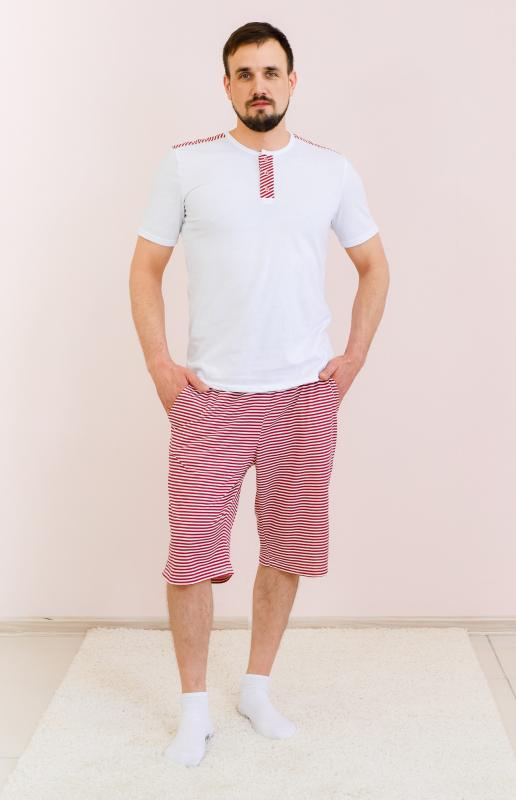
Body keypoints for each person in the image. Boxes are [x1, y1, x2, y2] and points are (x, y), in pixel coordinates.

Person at [129, 20, 390, 767]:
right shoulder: (187, 165)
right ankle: (193, 709)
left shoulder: (330, 169)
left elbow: (375, 266)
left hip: (304, 393)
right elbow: (144, 269)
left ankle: (256, 688)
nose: (259, 86)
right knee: (191, 556)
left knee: (288, 545)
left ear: (292, 81)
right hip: (210, 394)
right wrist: (160, 366)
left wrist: (352, 359)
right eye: (244, 74)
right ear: (227, 85)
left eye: (271, 72)